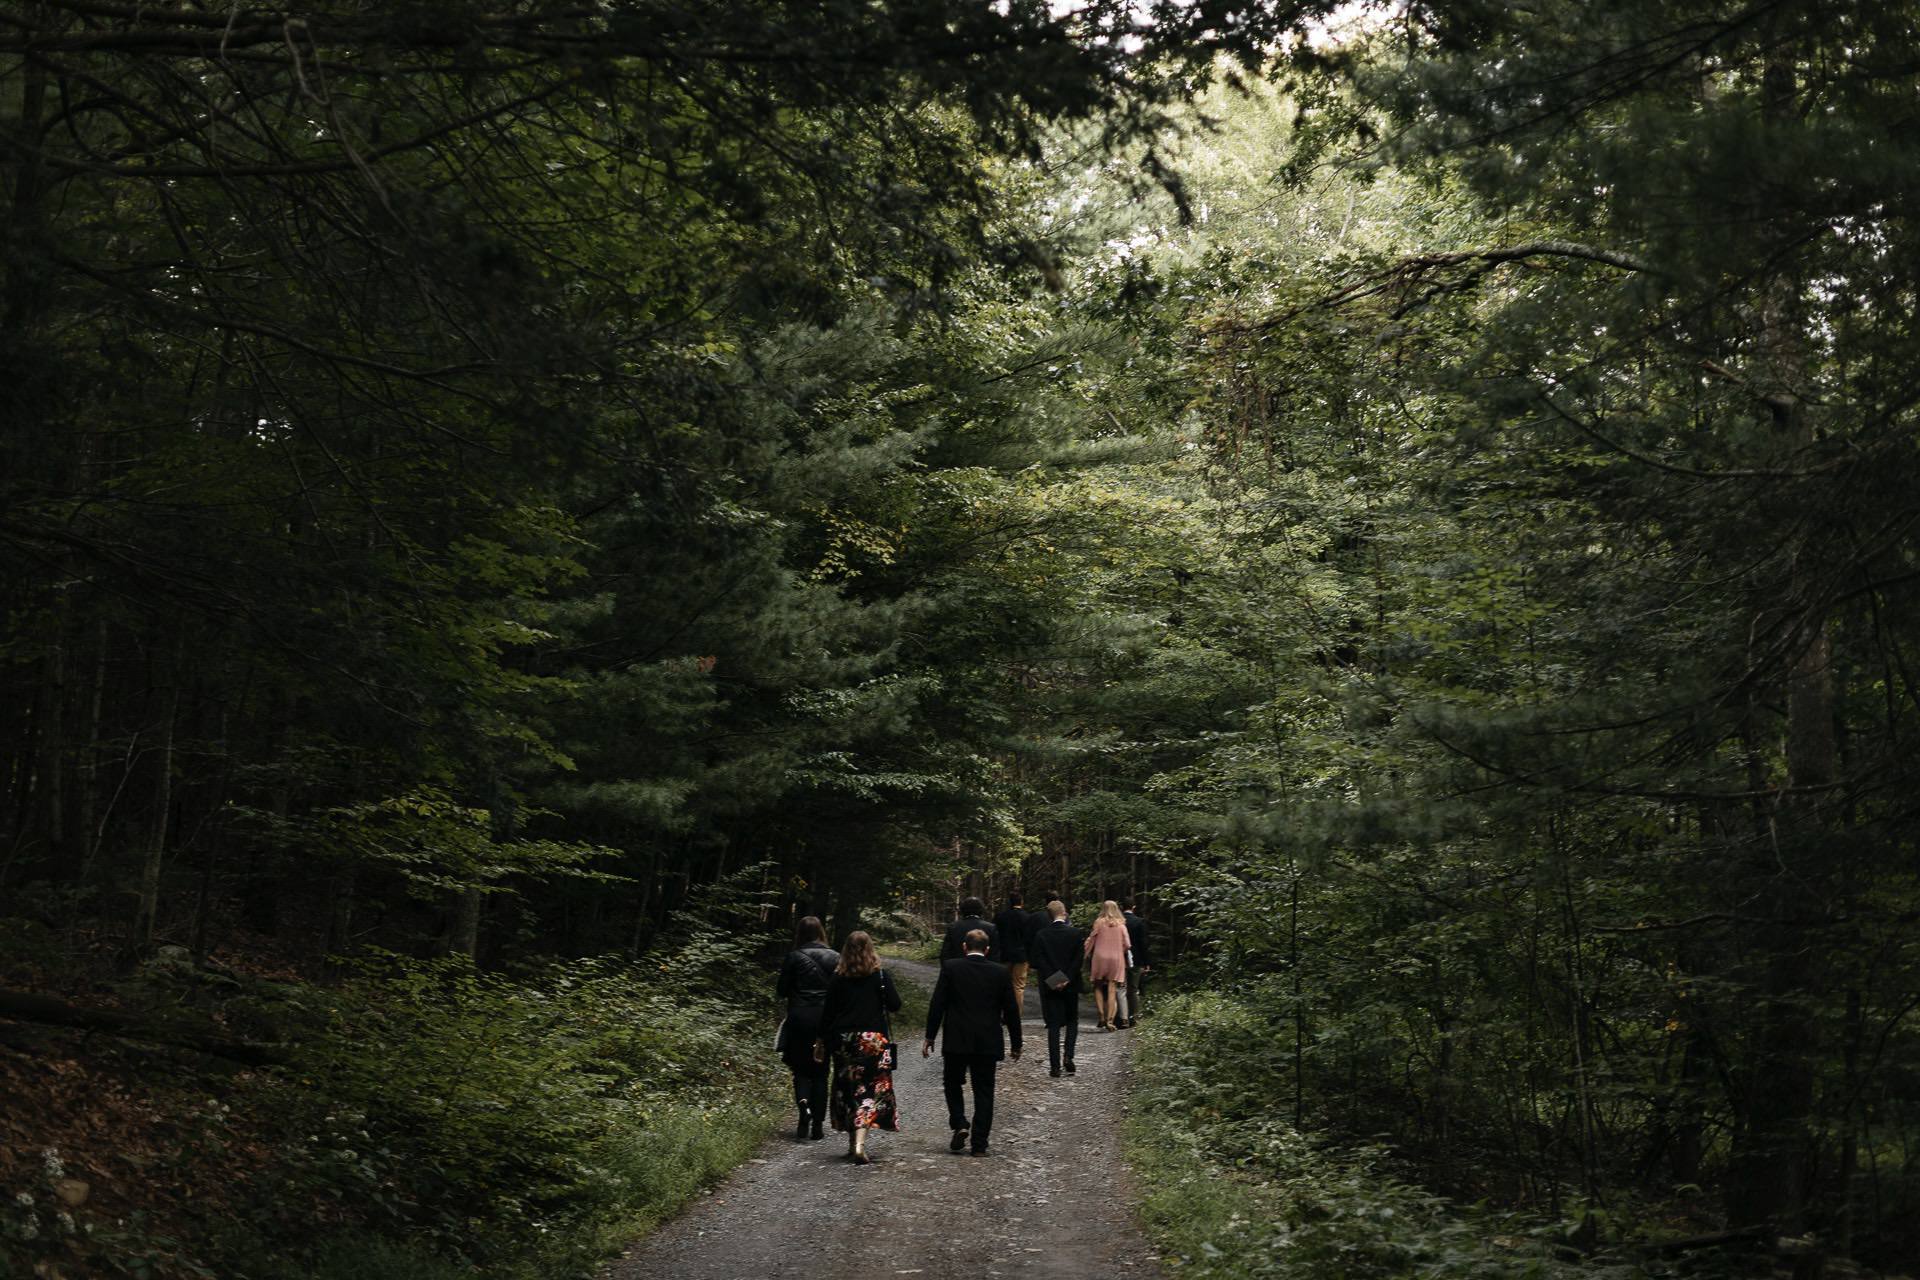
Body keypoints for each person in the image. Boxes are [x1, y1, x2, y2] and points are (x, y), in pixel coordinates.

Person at [923, 928, 1022, 1157]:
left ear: (964, 947)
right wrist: (1016, 1043)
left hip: (957, 1038)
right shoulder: (999, 973)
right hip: (987, 1040)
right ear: (987, 950)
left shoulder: (951, 968)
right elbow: (1011, 1011)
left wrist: (930, 1036)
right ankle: (979, 1144)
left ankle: (959, 1122)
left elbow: (938, 1003)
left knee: (952, 1083)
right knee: (984, 1091)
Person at [815, 931, 903, 1164]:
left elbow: (828, 1014)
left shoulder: (837, 978)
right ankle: (860, 1145)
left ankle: (853, 1143)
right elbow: (895, 1005)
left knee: (849, 1088)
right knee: (871, 1090)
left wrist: (821, 1041)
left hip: (845, 1040)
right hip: (873, 1040)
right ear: (870, 949)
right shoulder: (880, 976)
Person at [774, 917, 839, 1140]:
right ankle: (819, 1125)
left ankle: (804, 1111)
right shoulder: (835, 957)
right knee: (821, 1071)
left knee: (800, 1069)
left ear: (799, 933)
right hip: (825, 1018)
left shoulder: (793, 957)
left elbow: (781, 990)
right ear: (821, 932)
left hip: (799, 1016)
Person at [1027, 899, 1085, 1077]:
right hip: (1071, 983)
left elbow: (1038, 962)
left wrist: (1055, 979)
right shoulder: (1075, 933)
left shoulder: (1042, 935)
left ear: (1049, 915)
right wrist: (1066, 978)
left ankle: (1054, 1067)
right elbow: (1078, 960)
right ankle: (1068, 1055)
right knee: (1072, 1021)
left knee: (1053, 1025)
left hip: (1050, 985)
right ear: (1064, 912)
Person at [1084, 899, 1130, 1032]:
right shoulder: (1122, 925)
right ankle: (1110, 1020)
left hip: (1100, 957)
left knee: (1097, 986)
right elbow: (1127, 944)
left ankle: (1101, 1017)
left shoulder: (1099, 922)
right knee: (1112, 988)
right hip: (1116, 959)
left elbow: (1091, 939)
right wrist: (1120, 950)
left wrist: (1085, 953)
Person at [992, 891, 1032, 1006]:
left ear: (1009, 902)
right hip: (1021, 955)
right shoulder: (1027, 918)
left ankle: (1002, 1014)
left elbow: (995, 935)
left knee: (1002, 985)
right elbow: (1030, 938)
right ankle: (1016, 1016)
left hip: (1004, 955)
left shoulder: (1000, 917)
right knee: (1018, 986)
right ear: (1021, 902)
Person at [1121, 900, 1152, 1027]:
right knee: (1133, 990)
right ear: (1133, 907)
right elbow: (1143, 943)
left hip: (1120, 958)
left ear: (1122, 907)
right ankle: (1133, 1018)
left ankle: (1121, 1018)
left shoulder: (1118, 921)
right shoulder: (1139, 922)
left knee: (1120, 989)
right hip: (1136, 959)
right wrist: (1147, 962)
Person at [940, 895, 1001, 961]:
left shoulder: (953, 927)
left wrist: (948, 968)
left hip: (957, 968)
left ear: (963, 910)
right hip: (983, 969)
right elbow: (994, 954)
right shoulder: (990, 928)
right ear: (981, 910)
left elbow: (945, 953)